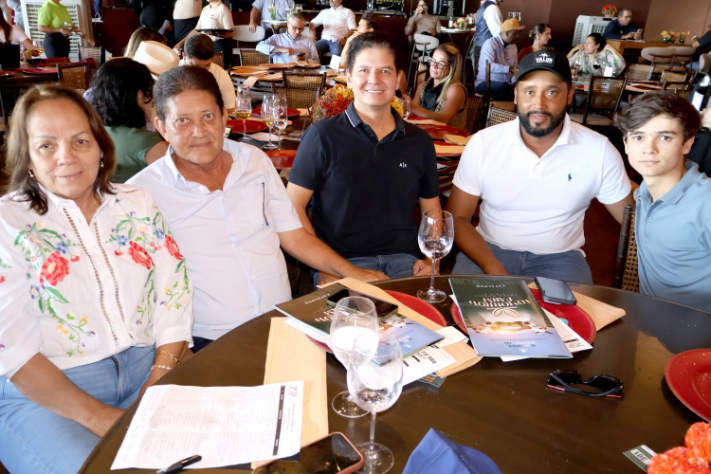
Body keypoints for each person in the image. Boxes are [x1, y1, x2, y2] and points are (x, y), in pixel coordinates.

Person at [0, 85, 193, 474]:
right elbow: (12, 349)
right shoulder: (8, 223)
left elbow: (174, 295)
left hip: (149, 369)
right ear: (28, 158)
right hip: (46, 395)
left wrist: (157, 381)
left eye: (80, 141)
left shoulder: (137, 202)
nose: (66, 157)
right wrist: (103, 418)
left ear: (101, 147)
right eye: (46, 146)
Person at [128, 66, 387, 350]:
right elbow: (139, 293)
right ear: (162, 127)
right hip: (210, 341)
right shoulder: (141, 196)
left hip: (284, 321)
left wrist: (351, 272)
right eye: (182, 121)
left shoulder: (254, 160)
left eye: (208, 116)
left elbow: (294, 236)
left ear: (224, 116)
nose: (199, 131)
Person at [448, 49, 634, 283]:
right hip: (487, 251)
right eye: (529, 91)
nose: (539, 103)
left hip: (561, 258)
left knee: (571, 309)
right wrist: (493, 267)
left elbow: (633, 224)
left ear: (569, 95)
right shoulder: (483, 143)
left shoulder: (599, 150)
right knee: (466, 306)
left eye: (552, 92)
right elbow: (457, 217)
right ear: (516, 95)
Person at [287, 32, 442, 283]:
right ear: (348, 78)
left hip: (405, 263)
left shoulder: (419, 142)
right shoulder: (321, 136)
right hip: (340, 263)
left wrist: (431, 259)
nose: (374, 79)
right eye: (364, 70)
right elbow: (292, 207)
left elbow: (432, 211)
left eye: (385, 71)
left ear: (398, 79)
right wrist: (325, 266)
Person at [614, 91, 711, 312]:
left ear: (687, 144)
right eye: (639, 137)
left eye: (665, 137)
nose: (649, 149)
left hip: (698, 328)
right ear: (626, 144)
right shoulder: (644, 192)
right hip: (648, 319)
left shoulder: (706, 205)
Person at [89, 58, 169, 183]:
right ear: (139, 96)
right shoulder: (148, 142)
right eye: (150, 92)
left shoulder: (94, 133)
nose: (153, 100)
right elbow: (179, 182)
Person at [408, 43, 467, 128]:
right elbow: (411, 115)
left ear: (451, 68)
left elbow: (444, 119)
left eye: (440, 63)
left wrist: (413, 107)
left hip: (448, 135)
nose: (434, 66)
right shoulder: (422, 86)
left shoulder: (455, 89)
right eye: (433, 60)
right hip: (423, 133)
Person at [180, 33, 236, 114]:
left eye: (206, 66)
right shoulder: (171, 73)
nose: (201, 71)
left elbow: (230, 112)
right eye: (196, 66)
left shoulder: (221, 75)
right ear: (184, 56)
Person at [173, 0, 234, 68]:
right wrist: (181, 43)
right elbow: (196, 30)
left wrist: (216, 34)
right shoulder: (205, 9)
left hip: (219, 48)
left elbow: (231, 34)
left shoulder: (223, 9)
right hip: (205, 47)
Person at [475, 18, 523, 101]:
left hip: (506, 84)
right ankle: (499, 108)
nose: (518, 36)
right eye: (516, 33)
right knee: (504, 88)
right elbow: (489, 66)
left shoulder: (514, 47)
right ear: (507, 33)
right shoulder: (490, 43)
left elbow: (515, 69)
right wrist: (509, 69)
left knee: (522, 88)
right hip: (485, 83)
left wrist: (514, 82)